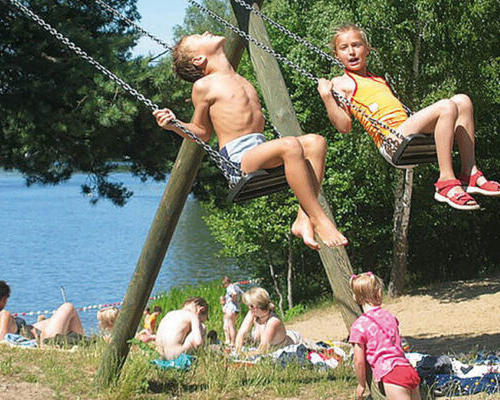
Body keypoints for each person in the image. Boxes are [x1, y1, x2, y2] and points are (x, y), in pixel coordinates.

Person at [153, 32, 347, 250]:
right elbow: (202, 132)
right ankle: (320, 219)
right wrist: (174, 123)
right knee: (290, 145)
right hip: (239, 161)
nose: (206, 32)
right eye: (199, 36)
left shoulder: (240, 79)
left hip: (259, 149)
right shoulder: (204, 85)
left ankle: (303, 218)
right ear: (199, 59)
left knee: (316, 142)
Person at [318, 24, 499, 211]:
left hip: (404, 130)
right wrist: (326, 97)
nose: (351, 52)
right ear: (336, 54)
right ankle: (446, 181)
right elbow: (344, 126)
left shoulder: (378, 79)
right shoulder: (341, 83)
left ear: (367, 49)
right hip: (391, 140)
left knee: (463, 101)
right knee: (447, 106)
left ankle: (470, 173)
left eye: (356, 45)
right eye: (344, 48)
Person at [349, 272, 420, 400]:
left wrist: (361, 384)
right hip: (407, 368)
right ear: (379, 293)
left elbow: (359, 361)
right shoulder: (389, 317)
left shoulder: (359, 326)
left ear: (355, 298)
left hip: (391, 373)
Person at [0, 279, 84, 344]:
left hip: (34, 329)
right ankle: (82, 342)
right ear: (4, 299)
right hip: (44, 339)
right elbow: (1, 340)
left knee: (54, 320)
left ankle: (80, 340)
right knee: (68, 307)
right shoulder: (3, 315)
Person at [234, 287, 301, 355]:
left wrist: (243, 355)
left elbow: (262, 349)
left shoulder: (273, 321)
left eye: (249, 305)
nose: (248, 307)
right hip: (264, 348)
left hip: (285, 345)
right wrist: (238, 351)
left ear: (254, 307)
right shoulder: (252, 313)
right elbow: (241, 334)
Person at [222, 276, 243, 345]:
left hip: (231, 308)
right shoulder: (236, 286)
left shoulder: (229, 287)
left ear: (225, 282)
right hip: (236, 309)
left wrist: (233, 300)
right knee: (231, 325)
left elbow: (234, 293)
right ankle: (231, 340)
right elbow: (243, 294)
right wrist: (239, 302)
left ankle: (232, 342)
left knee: (230, 325)